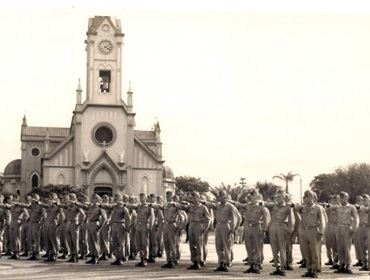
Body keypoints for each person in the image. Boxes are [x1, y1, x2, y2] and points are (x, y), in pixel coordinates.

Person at [230, 189, 270, 274]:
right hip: (248, 227)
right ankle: (251, 264)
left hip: (256, 227)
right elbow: (239, 205)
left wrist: (264, 229)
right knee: (248, 246)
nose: (251, 197)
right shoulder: (247, 205)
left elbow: (266, 218)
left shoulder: (261, 205)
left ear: (257, 196)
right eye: (250, 195)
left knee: (257, 247)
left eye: (253, 195)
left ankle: (257, 264)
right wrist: (230, 201)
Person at [172, 192, 211, 270]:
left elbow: (208, 219)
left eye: (195, 197)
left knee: (199, 244)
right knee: (192, 244)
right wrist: (174, 204)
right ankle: (194, 261)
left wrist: (204, 228)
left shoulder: (203, 207)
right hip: (191, 225)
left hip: (198, 225)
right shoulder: (190, 207)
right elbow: (182, 207)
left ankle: (199, 261)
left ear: (198, 198)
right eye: (192, 198)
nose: (193, 199)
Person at [203, 190, 238, 272]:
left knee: (226, 245)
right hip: (218, 226)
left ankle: (227, 262)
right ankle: (220, 262)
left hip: (226, 225)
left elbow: (234, 218)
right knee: (218, 245)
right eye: (220, 195)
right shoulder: (218, 205)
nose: (221, 197)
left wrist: (233, 228)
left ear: (226, 197)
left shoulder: (230, 206)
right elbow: (211, 205)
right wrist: (203, 201)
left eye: (222, 195)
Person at [294, 190, 325, 278]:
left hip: (314, 230)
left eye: (307, 197)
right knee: (306, 251)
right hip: (304, 231)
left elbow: (322, 221)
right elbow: (294, 209)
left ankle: (315, 270)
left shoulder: (318, 208)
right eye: (305, 197)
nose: (305, 199)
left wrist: (321, 232)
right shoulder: (303, 208)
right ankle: (309, 269)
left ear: (311, 198)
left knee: (314, 252)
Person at [266, 191, 295, 276]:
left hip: (281, 227)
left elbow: (291, 219)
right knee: (274, 249)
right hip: (273, 227)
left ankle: (282, 268)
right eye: (277, 196)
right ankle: (277, 267)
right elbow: (264, 204)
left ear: (284, 197)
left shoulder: (287, 207)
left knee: (282, 248)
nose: (278, 198)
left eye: (280, 196)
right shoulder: (273, 205)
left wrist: (290, 229)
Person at [332, 191, 359, 274]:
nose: (341, 199)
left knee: (347, 248)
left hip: (347, 228)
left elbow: (356, 219)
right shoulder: (338, 207)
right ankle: (341, 265)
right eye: (340, 198)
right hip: (339, 228)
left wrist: (353, 229)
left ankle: (348, 265)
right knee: (340, 248)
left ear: (347, 198)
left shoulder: (351, 207)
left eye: (343, 197)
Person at [101, 193, 131, 266]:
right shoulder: (114, 207)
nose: (116, 199)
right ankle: (117, 258)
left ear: (121, 199)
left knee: (121, 243)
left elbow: (128, 218)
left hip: (120, 225)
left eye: (118, 198)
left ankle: (121, 258)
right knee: (114, 242)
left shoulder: (123, 208)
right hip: (114, 225)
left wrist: (127, 227)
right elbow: (111, 213)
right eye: (115, 198)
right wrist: (110, 223)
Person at [126, 193, 154, 267]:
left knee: (144, 244)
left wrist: (150, 227)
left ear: (145, 198)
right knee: (139, 243)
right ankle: (141, 259)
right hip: (138, 226)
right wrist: (124, 204)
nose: (141, 199)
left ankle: (145, 259)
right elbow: (131, 206)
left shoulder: (149, 207)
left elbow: (152, 217)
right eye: (140, 198)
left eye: (143, 198)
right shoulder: (138, 206)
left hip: (145, 225)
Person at [78, 194, 107, 264]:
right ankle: (93, 255)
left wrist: (100, 226)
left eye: (93, 198)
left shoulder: (100, 207)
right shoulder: (91, 207)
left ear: (97, 200)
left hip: (95, 223)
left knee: (95, 241)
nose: (91, 199)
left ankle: (96, 256)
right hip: (89, 224)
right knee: (90, 241)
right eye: (92, 198)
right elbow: (83, 207)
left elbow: (104, 218)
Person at [58, 193, 86, 263]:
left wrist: (79, 223)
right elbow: (64, 210)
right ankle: (72, 254)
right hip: (68, 223)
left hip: (74, 223)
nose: (70, 199)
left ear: (75, 198)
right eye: (70, 197)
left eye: (72, 197)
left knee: (75, 241)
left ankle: (75, 256)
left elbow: (83, 214)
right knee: (69, 240)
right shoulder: (68, 206)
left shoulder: (77, 206)